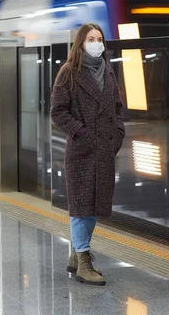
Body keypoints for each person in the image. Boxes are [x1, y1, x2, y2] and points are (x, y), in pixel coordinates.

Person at [50, 23, 125, 285]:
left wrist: (117, 133)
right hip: (82, 150)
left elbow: (117, 107)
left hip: (104, 149)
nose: (96, 43)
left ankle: (77, 253)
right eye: (91, 39)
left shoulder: (109, 72)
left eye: (100, 39)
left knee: (94, 206)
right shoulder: (69, 73)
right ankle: (83, 260)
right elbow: (57, 111)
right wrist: (81, 133)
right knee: (82, 206)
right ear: (81, 44)